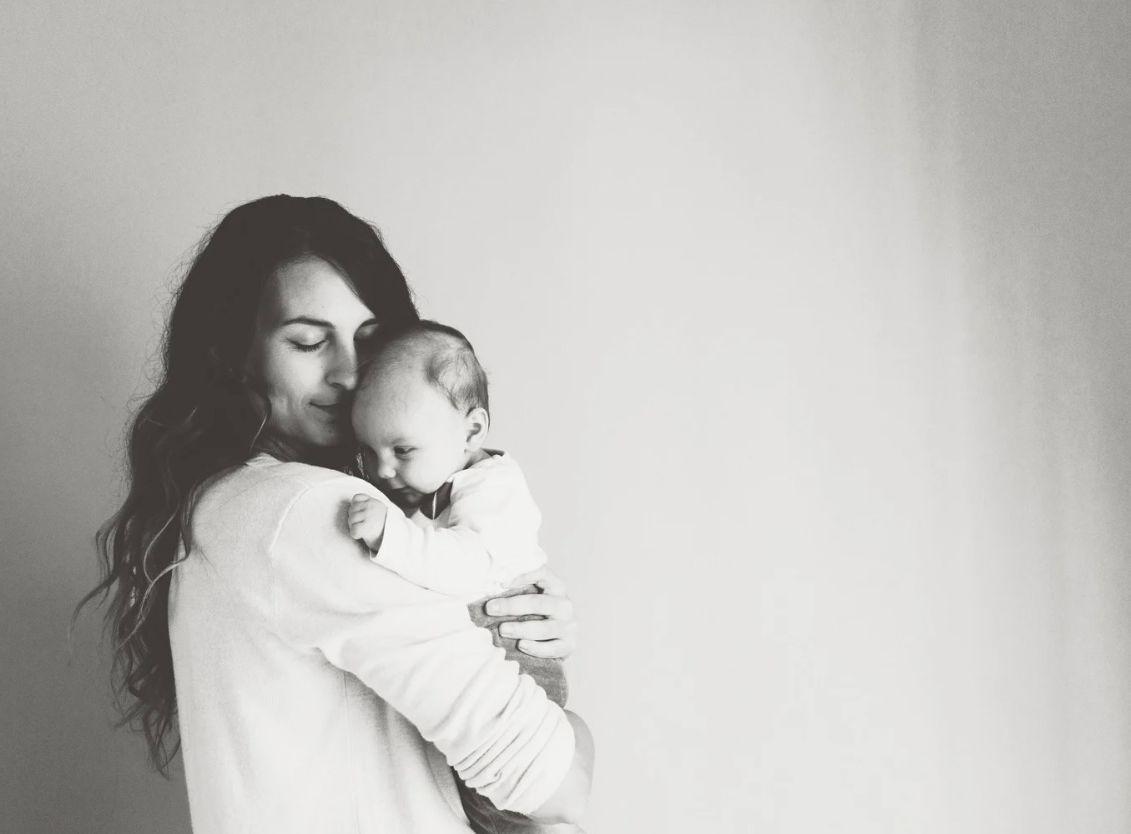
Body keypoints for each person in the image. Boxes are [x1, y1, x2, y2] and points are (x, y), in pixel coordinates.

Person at [80, 195, 594, 833]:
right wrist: (574, 729)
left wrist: (508, 613)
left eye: (370, 342)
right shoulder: (310, 511)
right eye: (308, 342)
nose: (349, 373)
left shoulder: (221, 509)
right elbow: (555, 787)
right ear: (236, 355)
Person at [346, 320, 577, 834]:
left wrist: (391, 536)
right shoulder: (444, 482)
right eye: (370, 452)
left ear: (472, 431)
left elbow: (464, 567)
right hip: (501, 654)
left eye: (402, 451)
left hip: (517, 659)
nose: (383, 471)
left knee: (502, 809)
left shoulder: (492, 491)